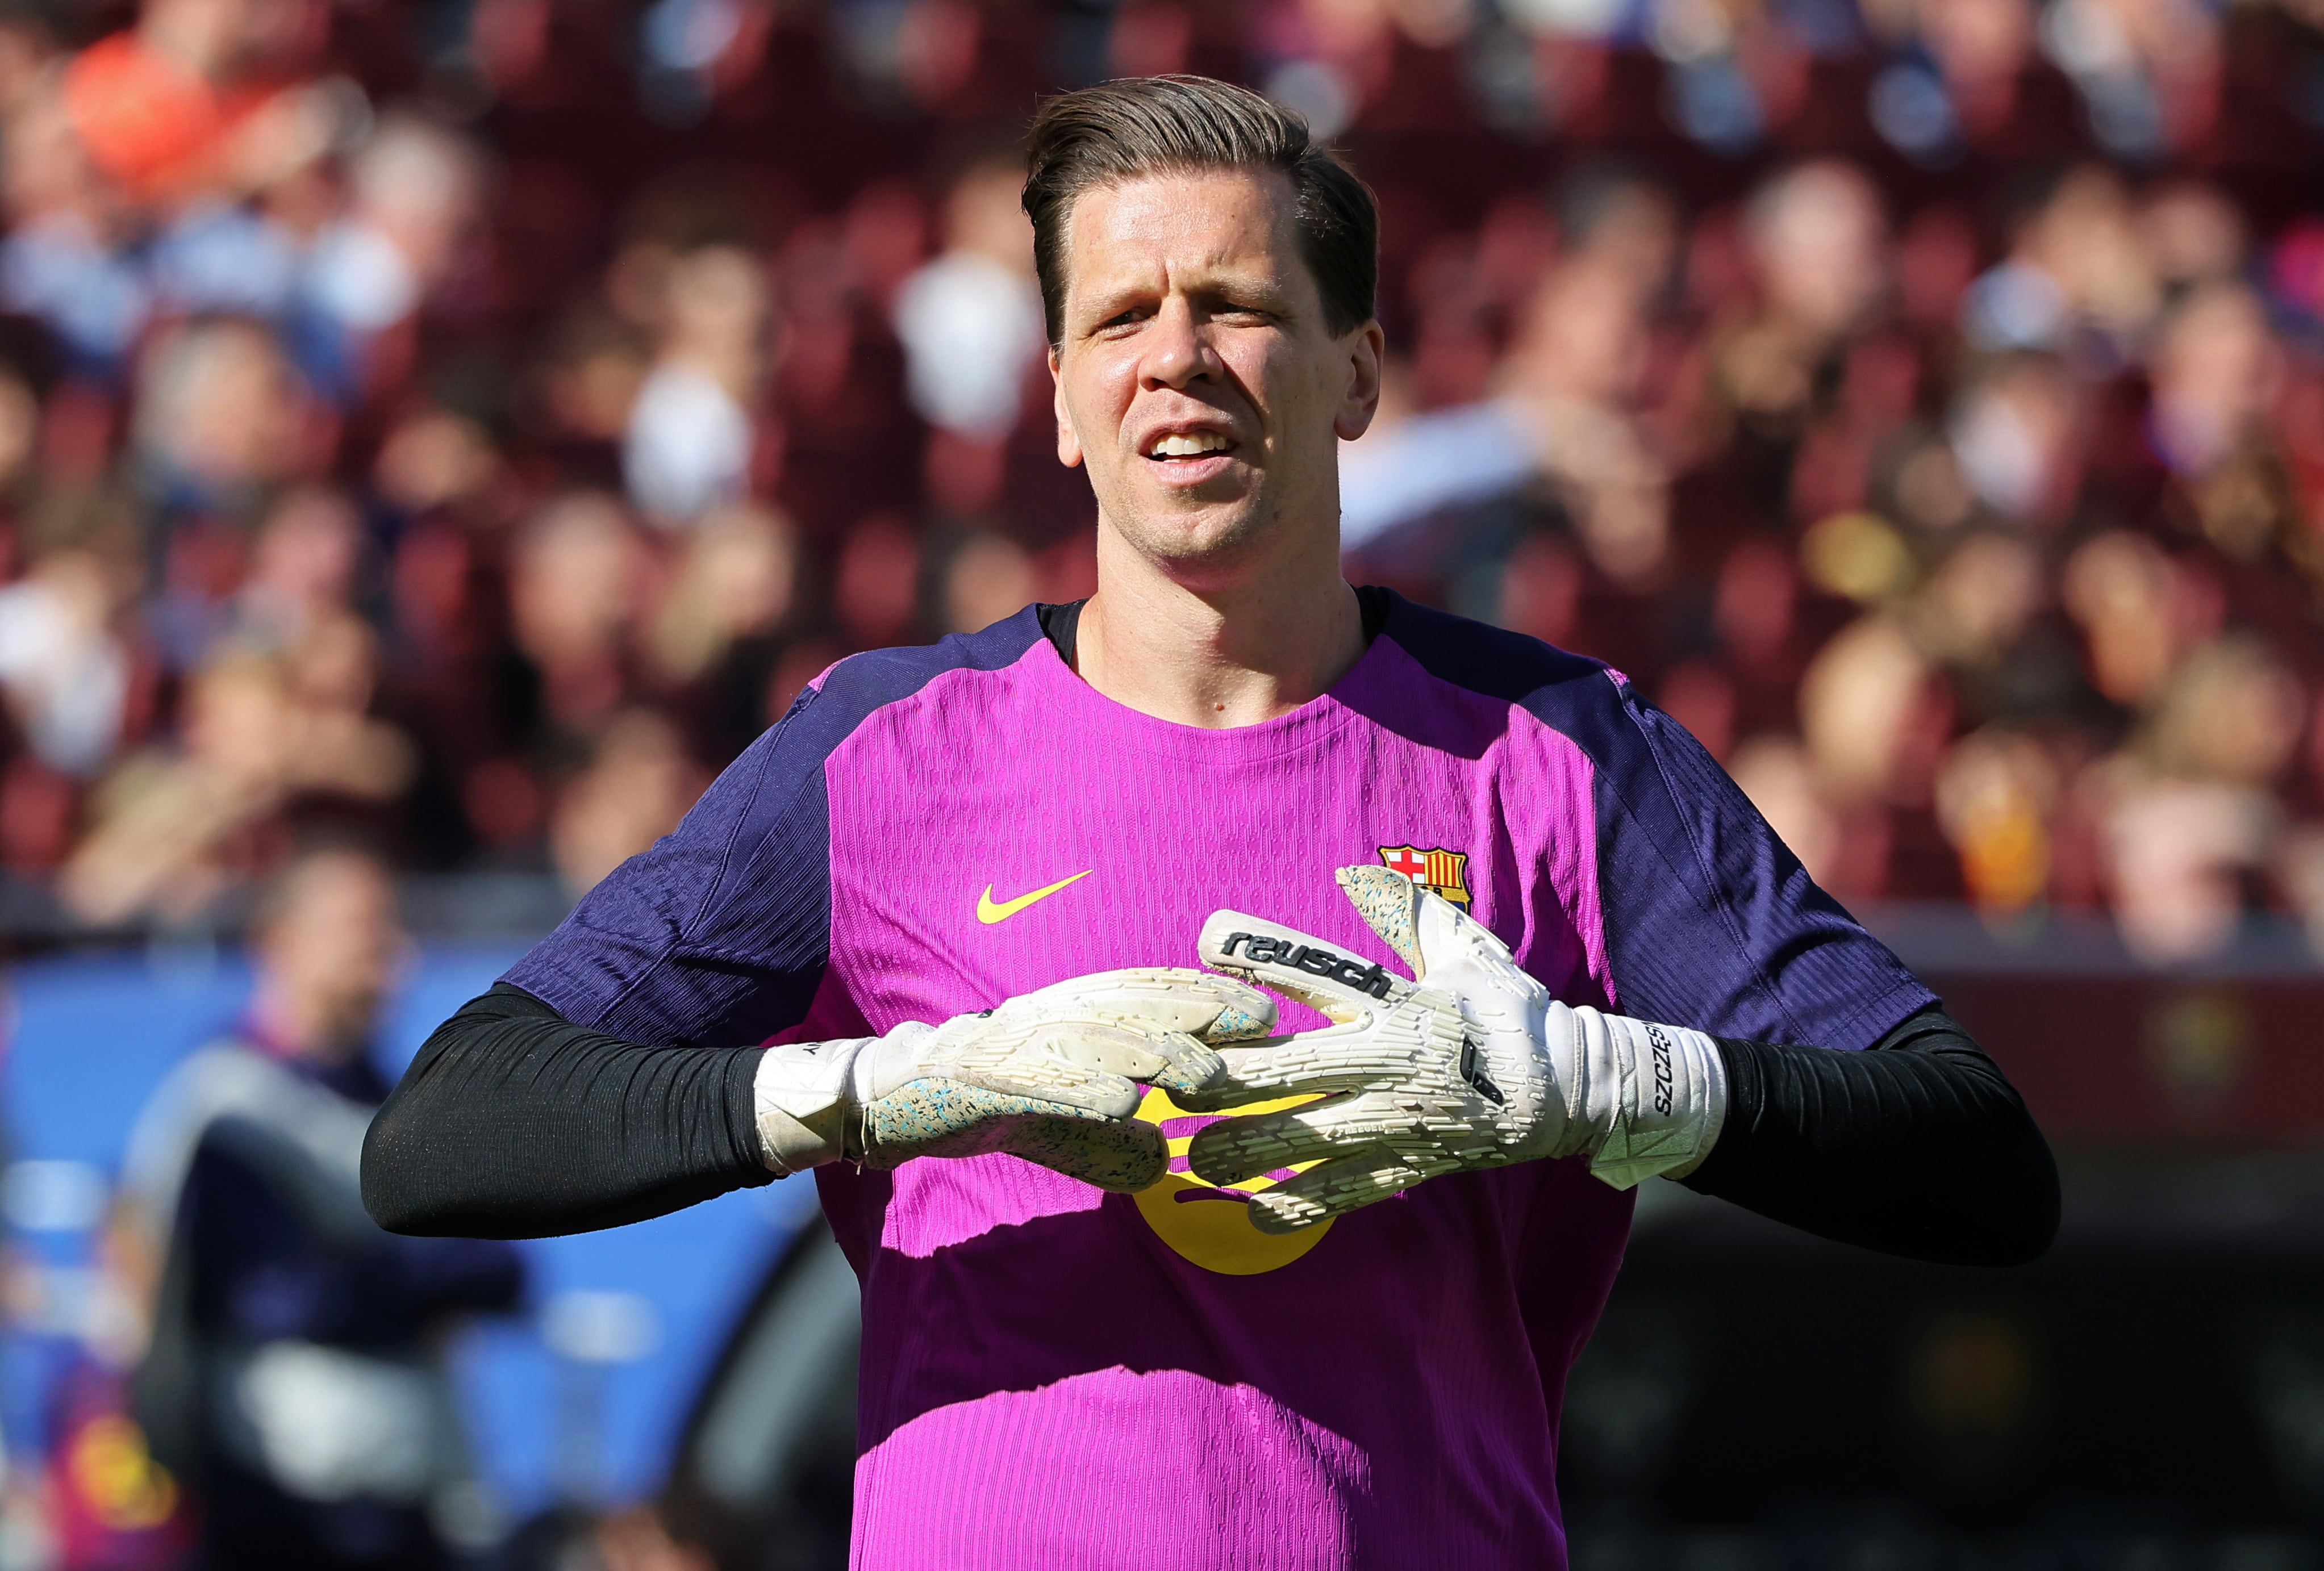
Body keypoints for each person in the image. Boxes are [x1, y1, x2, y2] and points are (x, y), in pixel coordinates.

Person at [362, 77, 2057, 1570]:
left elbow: (1973, 1161)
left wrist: (1612, 1088)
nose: (1174, 354)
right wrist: (906, 1086)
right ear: (1053, 398)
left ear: (1355, 373)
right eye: (1118, 318)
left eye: (1235, 302)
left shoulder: (1555, 751)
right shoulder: (883, 754)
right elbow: (447, 1131)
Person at [122, 846, 524, 1570]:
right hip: (286, 1490)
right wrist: (425, 1274)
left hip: (411, 1480)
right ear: (278, 943)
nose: (387, 951)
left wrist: (389, 1273)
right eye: (358, 926)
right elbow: (279, 1298)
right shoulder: (227, 1099)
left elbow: (504, 1264)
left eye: (391, 927)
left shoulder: (403, 1101)